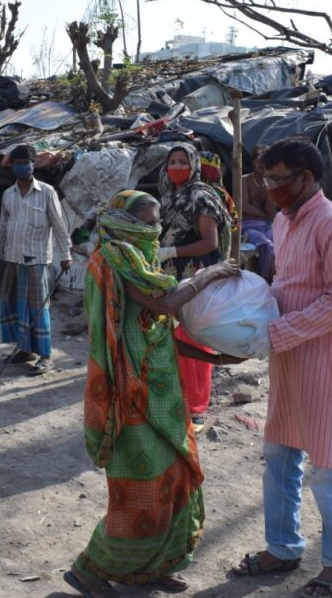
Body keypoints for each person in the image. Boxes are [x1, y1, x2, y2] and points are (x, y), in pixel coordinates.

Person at [64, 190, 242, 598]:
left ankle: (155, 565)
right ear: (124, 223)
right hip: (130, 396)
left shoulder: (140, 260)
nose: (154, 229)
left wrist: (212, 358)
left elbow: (155, 331)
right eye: (146, 222)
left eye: (157, 221)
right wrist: (206, 275)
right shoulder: (114, 260)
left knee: (176, 479)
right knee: (141, 490)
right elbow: (162, 305)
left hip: (162, 393)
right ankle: (89, 570)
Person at [231, 137, 332, 598]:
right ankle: (284, 546)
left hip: (325, 362)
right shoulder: (283, 222)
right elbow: (284, 284)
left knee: (328, 469)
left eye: (277, 179)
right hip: (287, 358)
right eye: (264, 179)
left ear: (306, 178)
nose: (269, 188)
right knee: (279, 458)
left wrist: (276, 333)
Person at [158, 142, 232, 430]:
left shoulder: (201, 196)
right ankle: (174, 400)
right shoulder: (168, 196)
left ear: (194, 165)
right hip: (167, 276)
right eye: (172, 162)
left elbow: (210, 242)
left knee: (194, 339)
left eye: (182, 162)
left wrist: (173, 252)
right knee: (170, 340)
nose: (176, 167)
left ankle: (196, 408)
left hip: (194, 277)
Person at [0, 144, 72, 376]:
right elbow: (3, 227)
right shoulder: (8, 194)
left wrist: (66, 255)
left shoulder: (47, 192)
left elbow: (59, 226)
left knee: (38, 308)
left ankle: (45, 356)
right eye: (17, 163)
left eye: (25, 162)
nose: (21, 166)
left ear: (33, 163)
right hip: (14, 259)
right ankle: (24, 350)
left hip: (37, 261)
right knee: (17, 306)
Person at [241, 144, 278, 281]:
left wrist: (270, 186)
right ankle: (264, 280)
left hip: (266, 224)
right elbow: (243, 207)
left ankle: (278, 279)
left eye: (264, 160)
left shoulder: (270, 182)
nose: (261, 163)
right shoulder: (244, 180)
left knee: (279, 243)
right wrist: (264, 215)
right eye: (258, 159)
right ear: (252, 161)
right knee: (267, 246)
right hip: (247, 225)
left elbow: (270, 211)